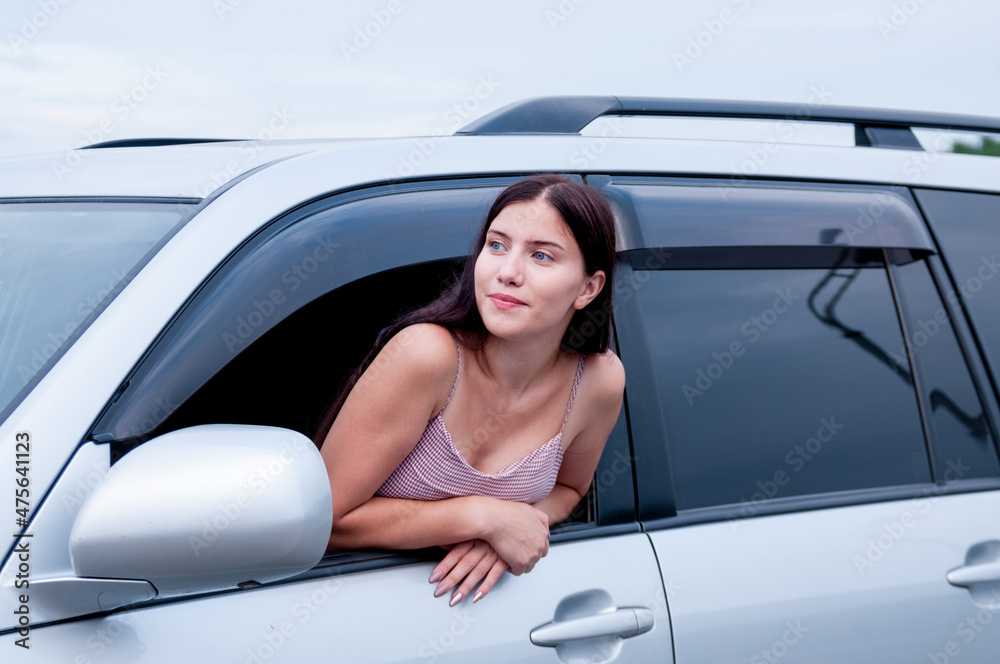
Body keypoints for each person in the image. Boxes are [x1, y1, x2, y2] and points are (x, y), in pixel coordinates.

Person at [316, 174, 625, 606]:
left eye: (540, 256)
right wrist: (481, 518)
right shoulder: (427, 355)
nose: (507, 273)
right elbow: (326, 520)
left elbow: (571, 491)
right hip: (352, 611)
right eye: (496, 246)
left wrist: (519, 525)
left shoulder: (598, 380)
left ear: (588, 288)